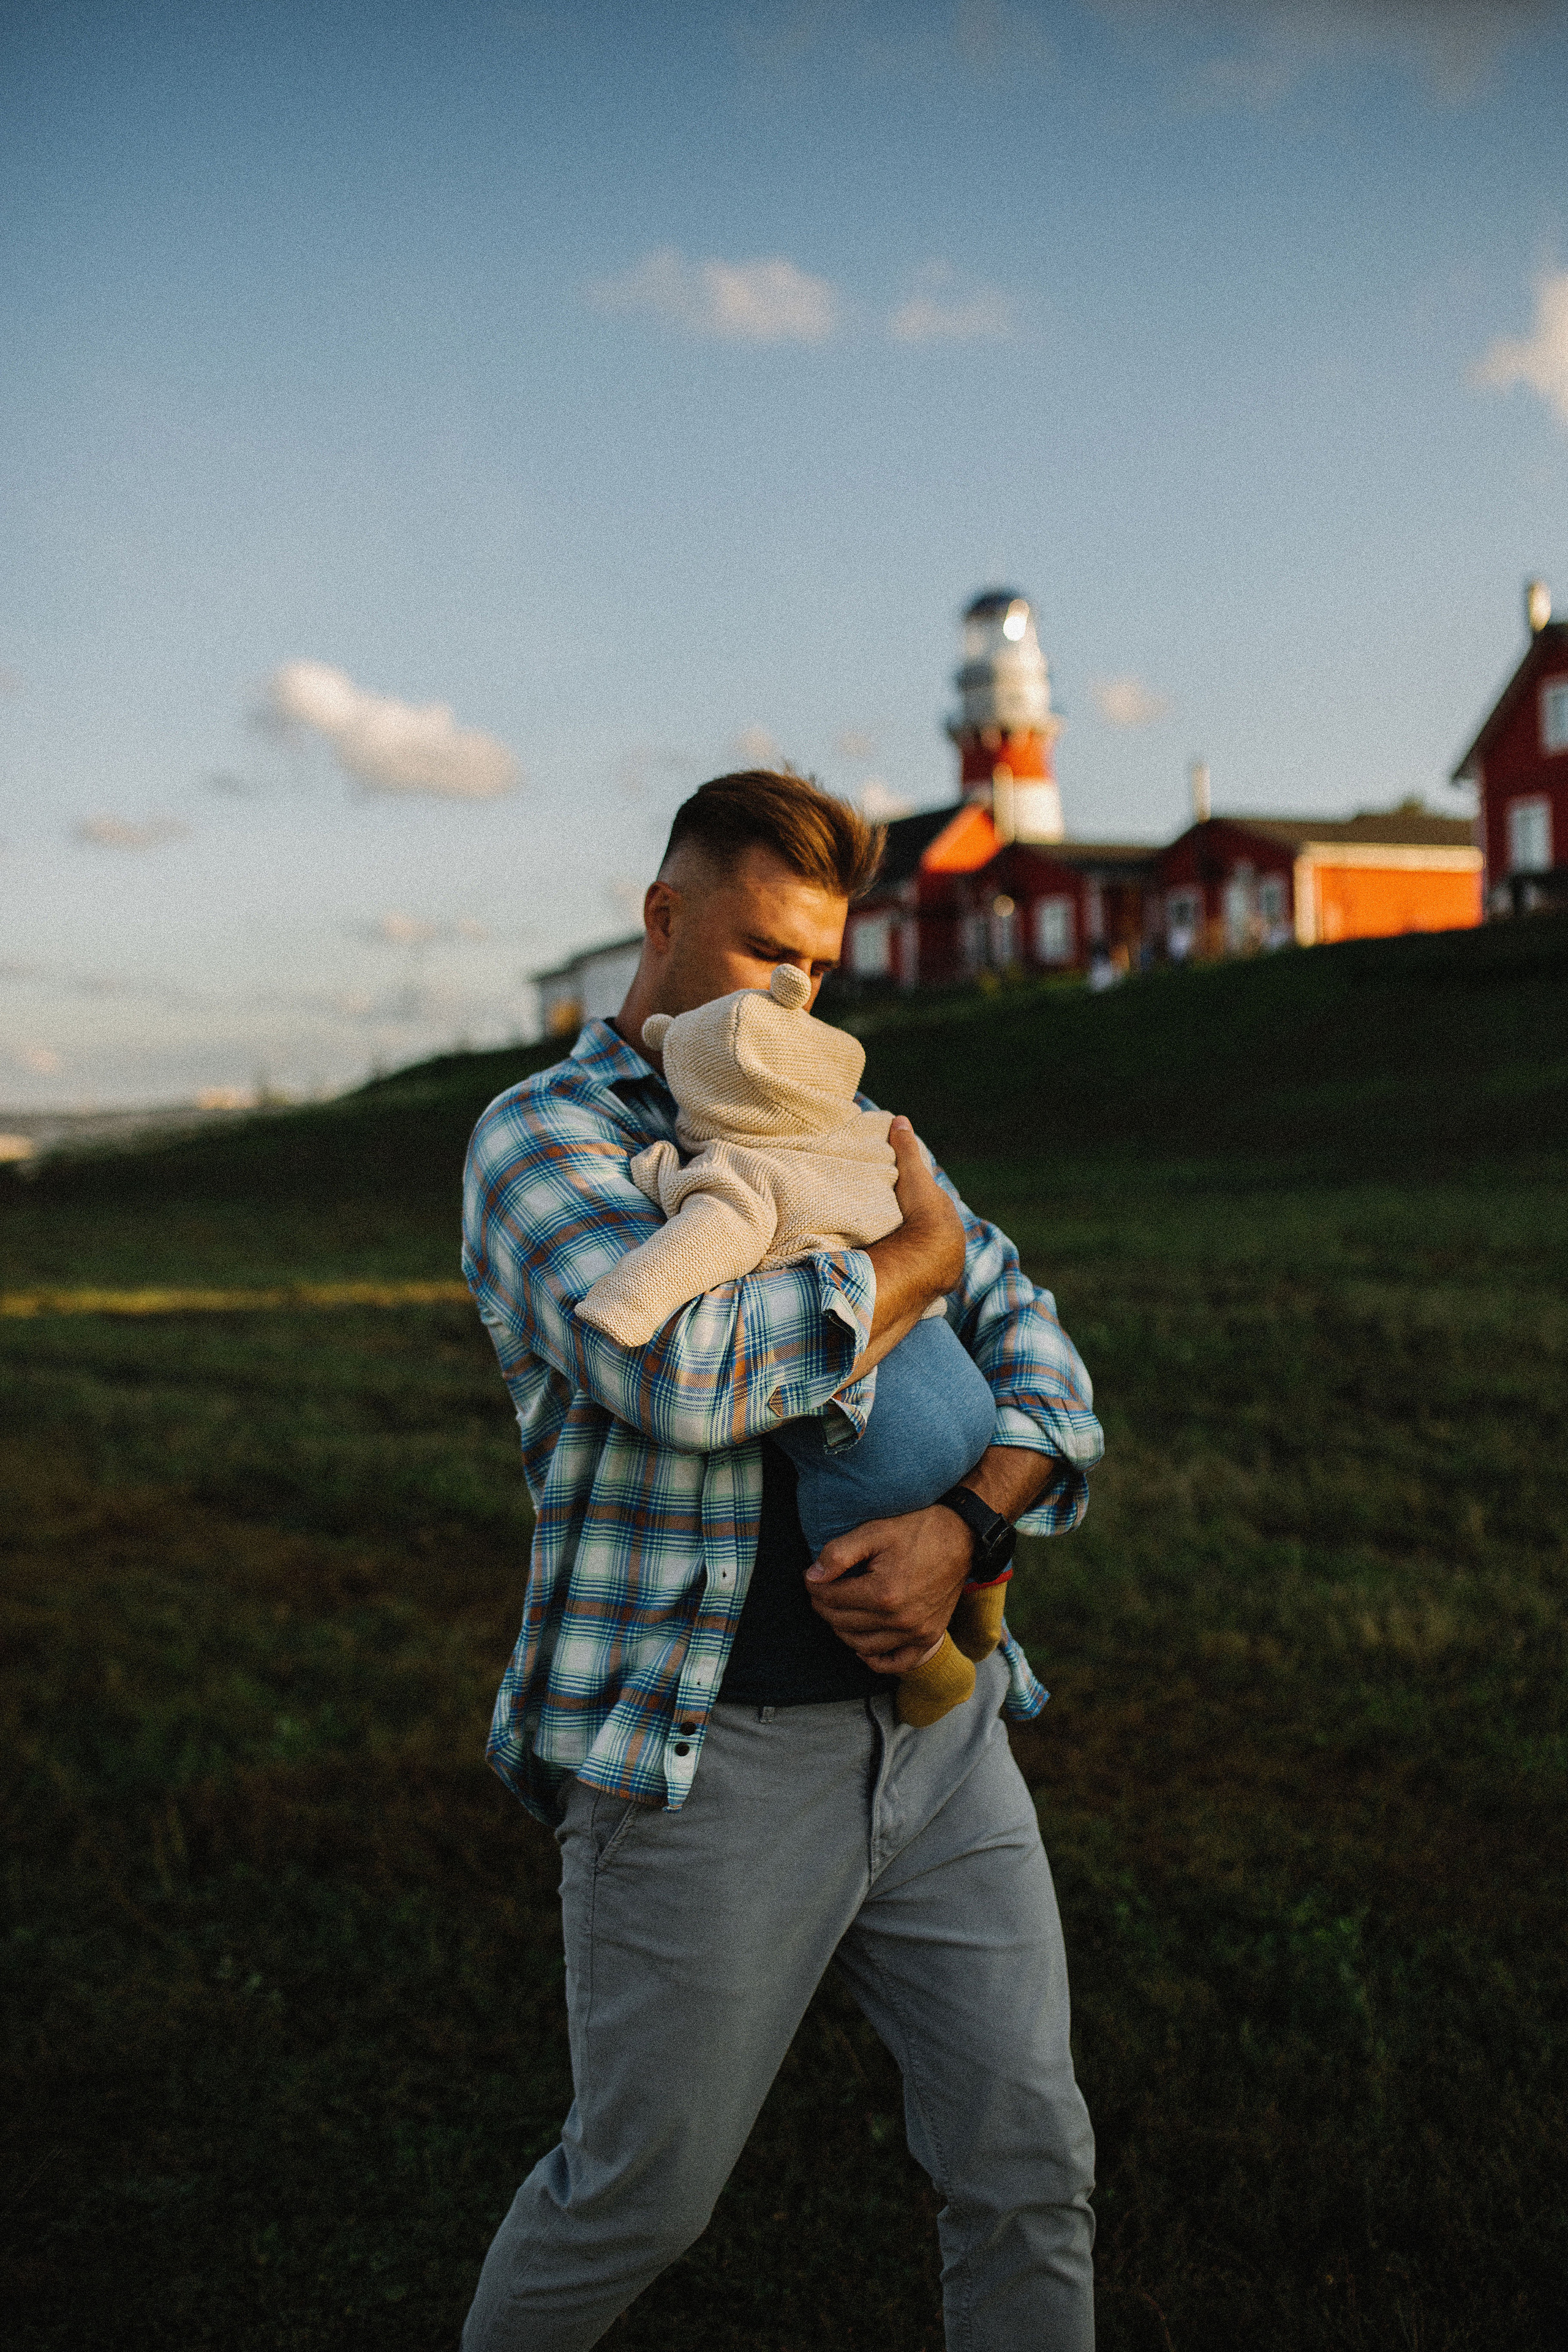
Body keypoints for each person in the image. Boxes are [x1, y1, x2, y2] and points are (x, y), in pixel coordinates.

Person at [461, 770, 1103, 2351]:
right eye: (763, 952)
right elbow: (677, 1371)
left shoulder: (853, 1123)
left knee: (1029, 2161)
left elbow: (1050, 1372)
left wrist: (968, 1528)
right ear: (665, 920)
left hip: (945, 1740)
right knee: (638, 2197)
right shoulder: (542, 1140)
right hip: (704, 1766)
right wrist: (906, 1271)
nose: (794, 995)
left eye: (818, 966)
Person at [575, 956, 1007, 1726]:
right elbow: (953, 1247)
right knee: (942, 1497)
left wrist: (621, 1300)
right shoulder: (867, 1135)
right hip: (965, 1393)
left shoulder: (742, 1169)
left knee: (844, 1548)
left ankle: (927, 1660)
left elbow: (703, 1241)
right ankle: (985, 1596)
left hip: (886, 1434)